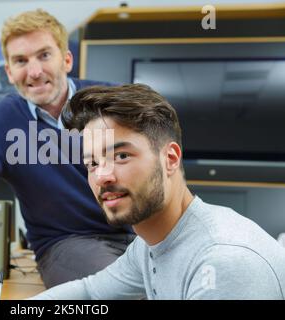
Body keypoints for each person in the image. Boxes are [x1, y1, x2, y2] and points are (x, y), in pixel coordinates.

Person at [0, 9, 134, 289]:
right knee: (118, 290)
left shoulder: (111, 101)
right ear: (9, 72)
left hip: (140, 231)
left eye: (44, 55)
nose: (34, 72)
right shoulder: (0, 121)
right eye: (21, 61)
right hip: (66, 244)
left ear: (66, 60)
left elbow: (160, 162)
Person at [31, 84, 285, 299]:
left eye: (121, 156)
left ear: (171, 158)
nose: (102, 176)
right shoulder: (152, 243)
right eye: (93, 163)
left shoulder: (224, 263)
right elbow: (90, 293)